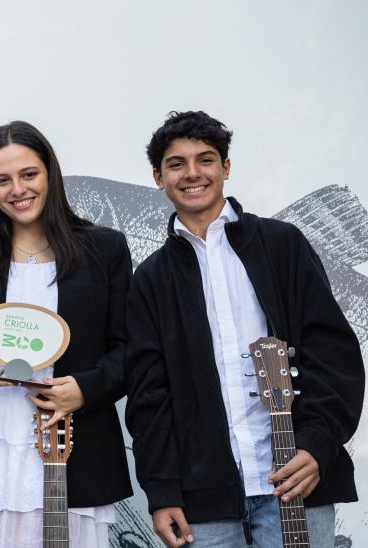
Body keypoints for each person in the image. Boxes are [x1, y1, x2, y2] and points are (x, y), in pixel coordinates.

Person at [124, 111, 364, 548]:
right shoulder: (150, 280)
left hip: (297, 481)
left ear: (226, 167)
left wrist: (316, 444)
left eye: (206, 159)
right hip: (204, 498)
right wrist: (161, 492)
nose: (193, 173)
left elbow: (333, 353)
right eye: (177, 164)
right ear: (158, 176)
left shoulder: (282, 244)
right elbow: (148, 397)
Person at [0, 121, 133, 547]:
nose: (17, 189)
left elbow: (129, 348)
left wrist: (84, 389)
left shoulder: (105, 249)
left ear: (50, 174)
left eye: (29, 174)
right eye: (2, 180)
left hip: (74, 444)